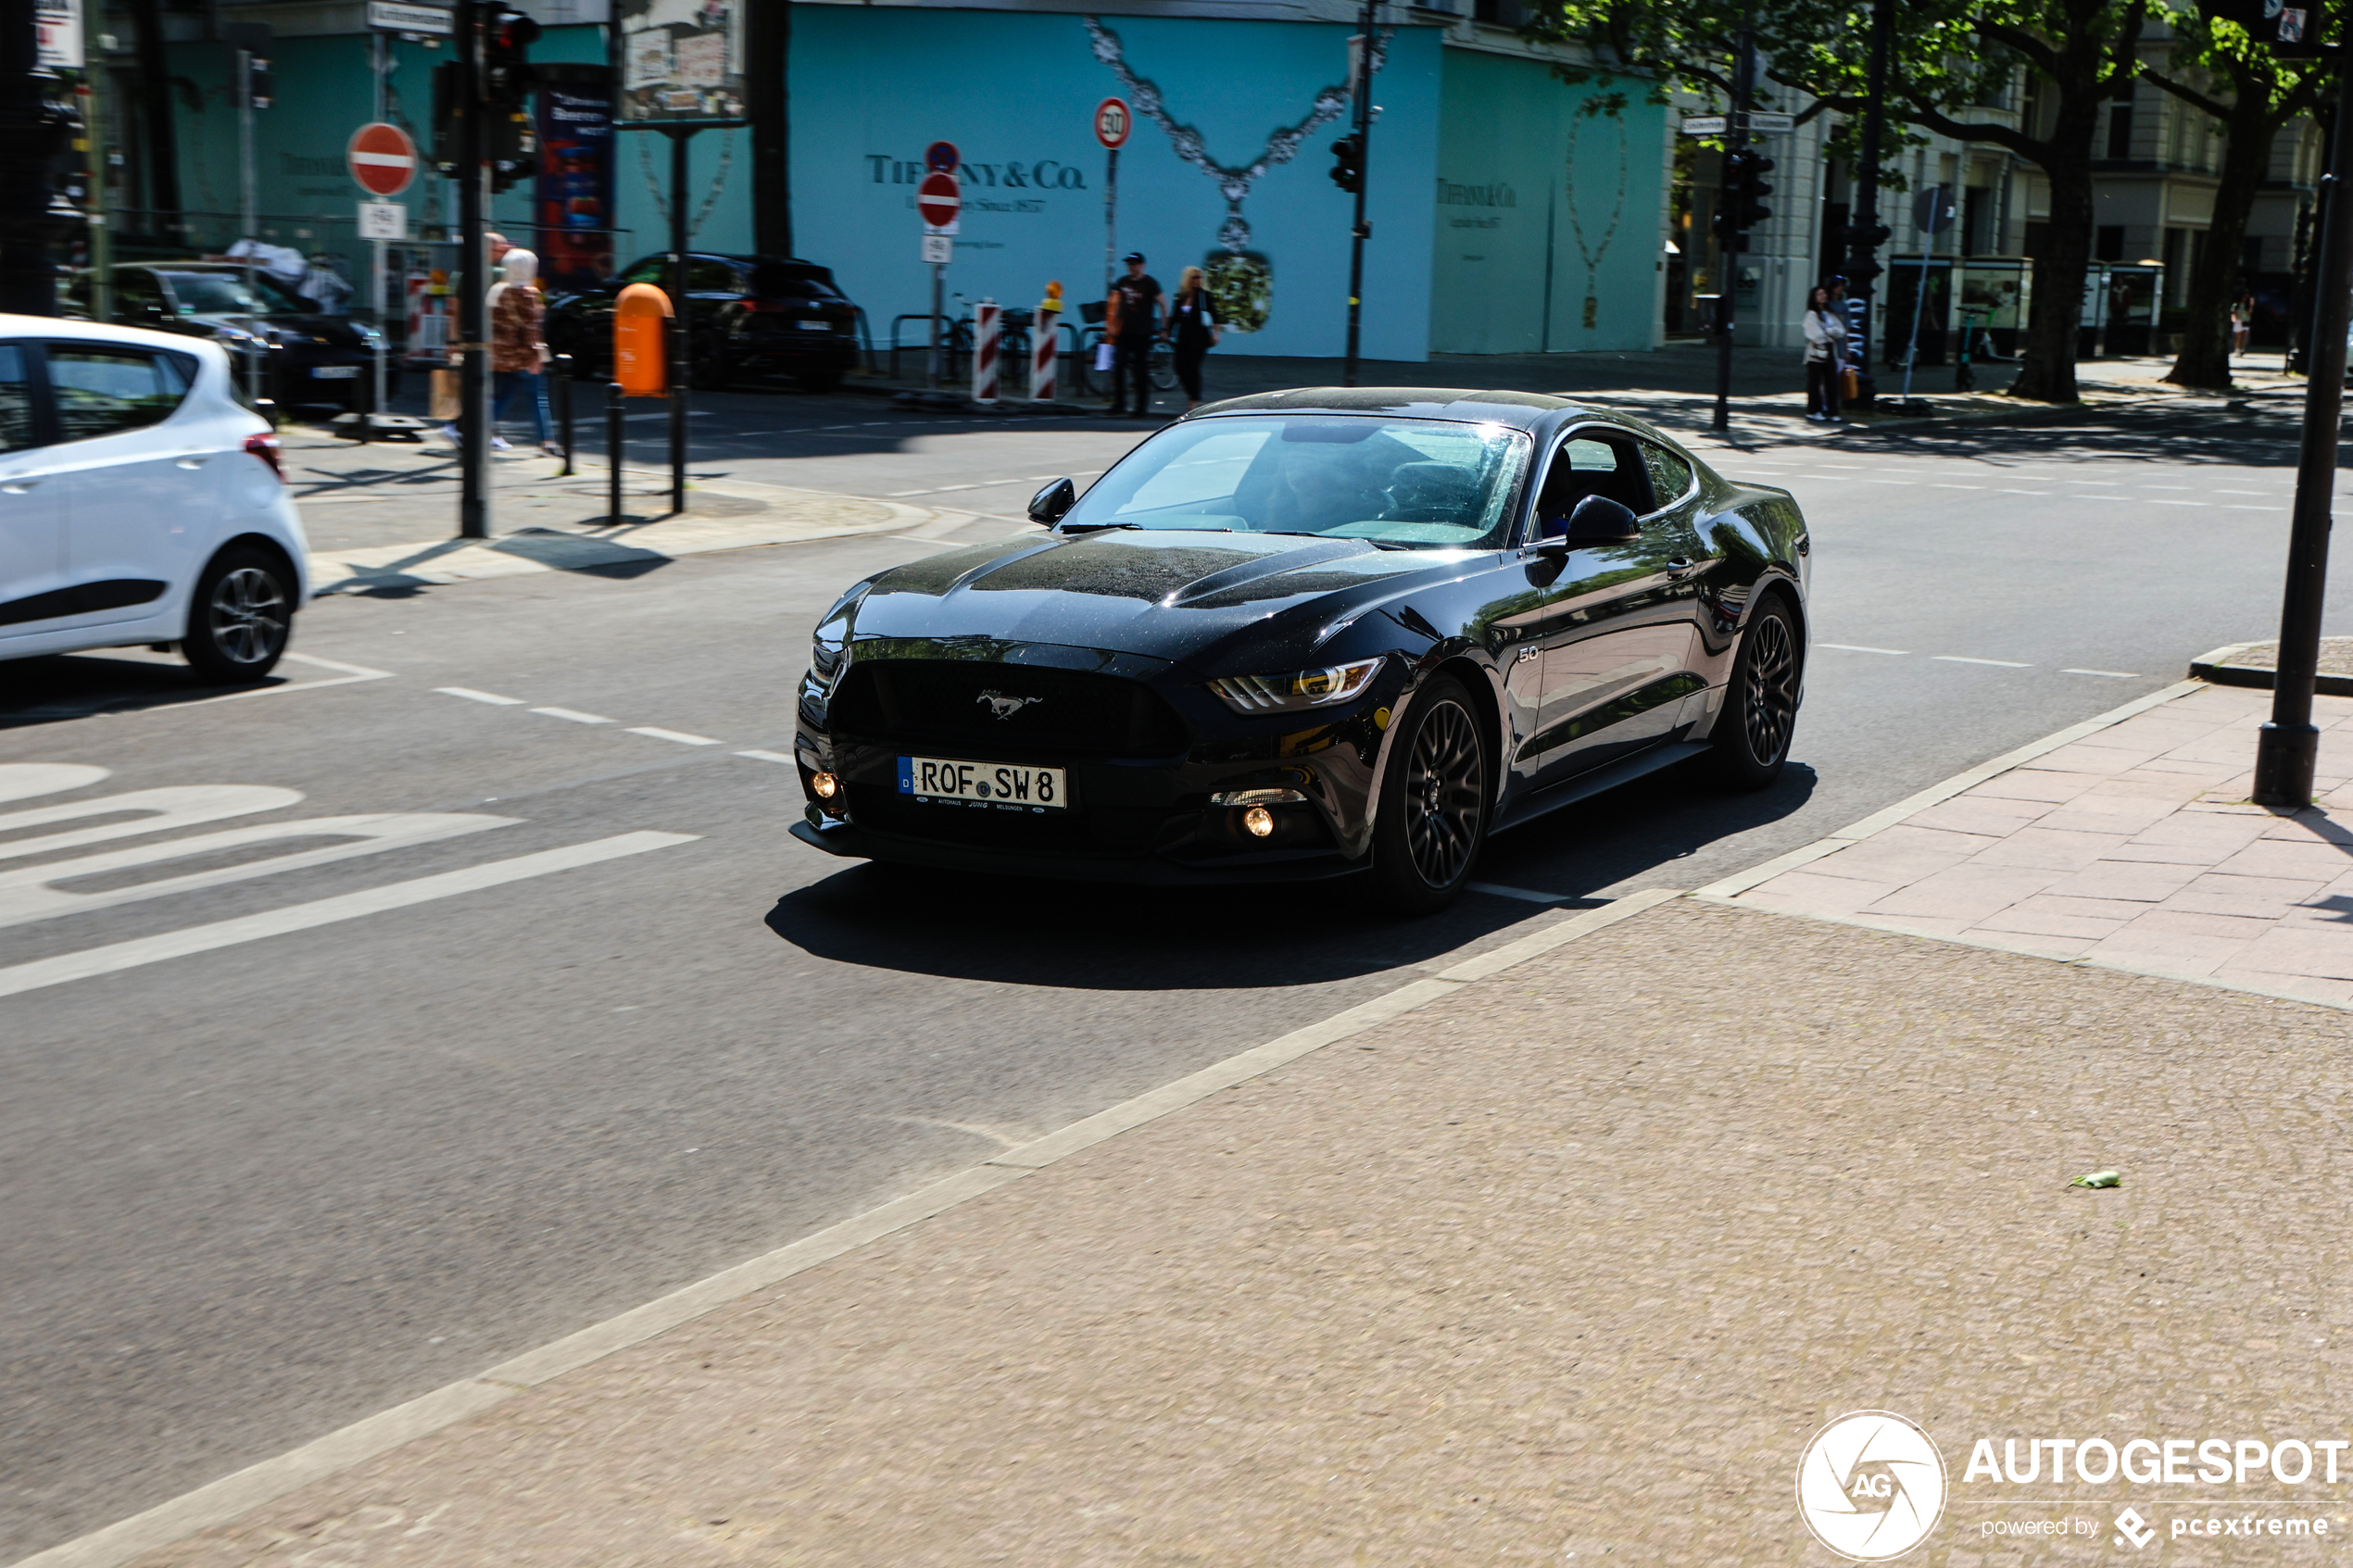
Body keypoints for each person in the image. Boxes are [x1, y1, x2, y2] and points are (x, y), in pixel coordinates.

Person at [487, 248, 554, 454]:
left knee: (502, 396)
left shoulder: (497, 290)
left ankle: (477, 428)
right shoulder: (529, 293)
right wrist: (536, 356)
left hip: (501, 355)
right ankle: (546, 441)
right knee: (536, 397)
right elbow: (532, 329)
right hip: (524, 357)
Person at [1103, 251, 1164, 418]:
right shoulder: (1122, 282)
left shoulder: (1149, 283)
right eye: (1129, 264)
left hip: (1141, 333)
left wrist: (1165, 327)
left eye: (1134, 264)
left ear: (1141, 265)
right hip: (1123, 332)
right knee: (1119, 366)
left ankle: (1140, 407)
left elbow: (1162, 303)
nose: (1131, 267)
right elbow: (1113, 304)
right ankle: (1119, 404)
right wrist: (1110, 325)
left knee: (1140, 370)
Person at [1168, 265, 1220, 411]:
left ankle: (1194, 399)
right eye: (1194, 277)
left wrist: (1216, 333)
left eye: (1200, 277)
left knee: (1192, 367)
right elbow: (1174, 317)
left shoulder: (1204, 296)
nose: (1198, 280)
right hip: (1183, 336)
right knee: (1179, 366)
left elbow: (1216, 316)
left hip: (1200, 337)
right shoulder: (1180, 296)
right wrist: (1167, 331)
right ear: (1188, 279)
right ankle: (1192, 393)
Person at [1803, 283, 1846, 423]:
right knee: (1815, 383)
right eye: (1819, 294)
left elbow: (1841, 330)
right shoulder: (1811, 314)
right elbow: (1815, 334)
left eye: (1824, 294)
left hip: (1829, 350)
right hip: (1816, 351)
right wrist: (1830, 333)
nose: (1823, 296)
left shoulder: (1830, 313)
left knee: (1832, 382)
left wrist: (1830, 332)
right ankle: (1814, 410)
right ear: (1814, 298)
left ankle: (1833, 411)